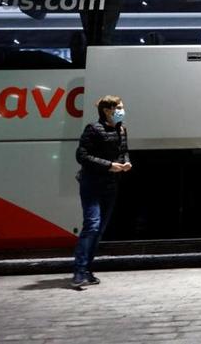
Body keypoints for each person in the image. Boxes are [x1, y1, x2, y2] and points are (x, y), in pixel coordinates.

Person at [71, 95, 131, 289]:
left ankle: (87, 270)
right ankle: (79, 271)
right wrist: (109, 166)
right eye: (119, 107)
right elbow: (82, 155)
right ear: (107, 110)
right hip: (92, 184)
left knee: (99, 230)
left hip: (111, 185)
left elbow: (123, 151)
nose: (122, 110)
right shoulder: (93, 129)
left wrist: (124, 162)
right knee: (92, 225)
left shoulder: (121, 129)